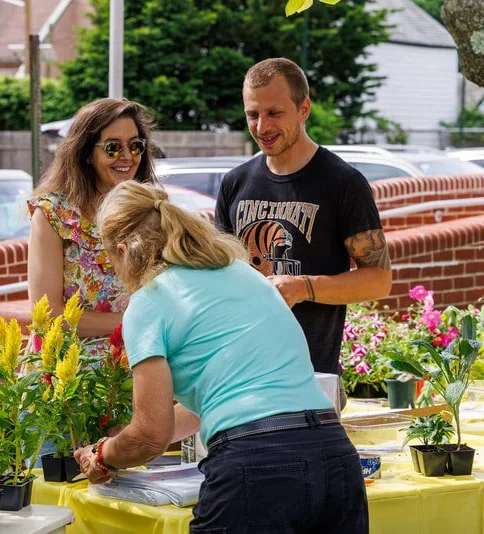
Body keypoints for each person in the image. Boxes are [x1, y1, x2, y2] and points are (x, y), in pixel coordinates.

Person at [75, 181, 368, 533]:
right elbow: (221, 400)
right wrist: (126, 442)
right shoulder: (245, 274)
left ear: (123, 250)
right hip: (333, 451)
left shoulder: (149, 301)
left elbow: (150, 435)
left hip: (256, 464)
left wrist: (104, 454)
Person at [215, 57, 392, 381]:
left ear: (304, 109)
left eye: (274, 113)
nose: (261, 126)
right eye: (252, 114)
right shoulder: (234, 183)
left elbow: (379, 279)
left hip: (311, 378)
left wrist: (301, 287)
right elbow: (218, 276)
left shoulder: (343, 182)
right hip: (240, 373)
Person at [28, 97, 161, 344]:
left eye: (135, 146)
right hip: (71, 370)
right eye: (113, 147)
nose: (127, 156)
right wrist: (134, 321)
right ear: (87, 154)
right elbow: (47, 314)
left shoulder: (151, 210)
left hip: (139, 358)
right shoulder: (53, 215)